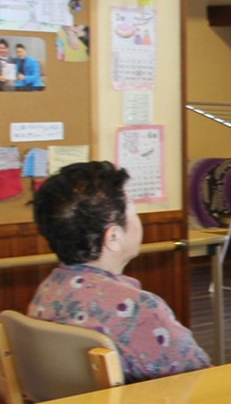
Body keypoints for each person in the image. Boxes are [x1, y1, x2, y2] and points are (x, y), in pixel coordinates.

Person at [29, 161, 209, 381]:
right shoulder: (140, 311)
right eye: (133, 210)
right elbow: (201, 380)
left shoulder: (47, 292)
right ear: (113, 237)